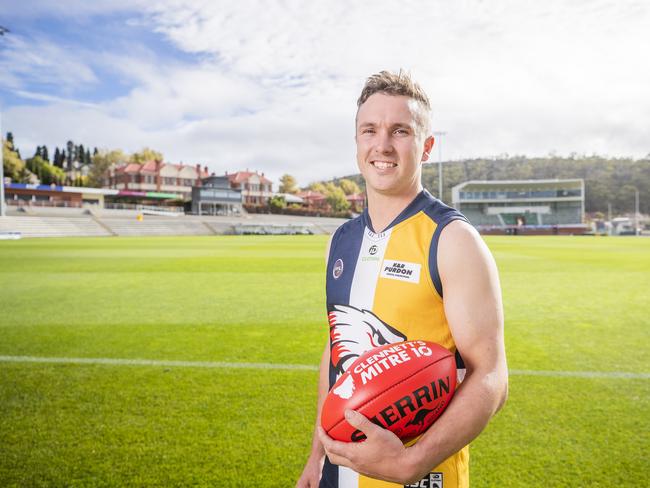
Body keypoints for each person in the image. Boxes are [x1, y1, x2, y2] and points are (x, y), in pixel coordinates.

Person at [296, 70, 508, 488]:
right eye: (369, 130)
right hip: (339, 474)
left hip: (422, 476)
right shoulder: (339, 242)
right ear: (357, 141)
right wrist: (317, 455)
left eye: (400, 131)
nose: (382, 145)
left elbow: (492, 377)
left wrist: (412, 462)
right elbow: (337, 351)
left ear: (426, 146)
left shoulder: (453, 240)